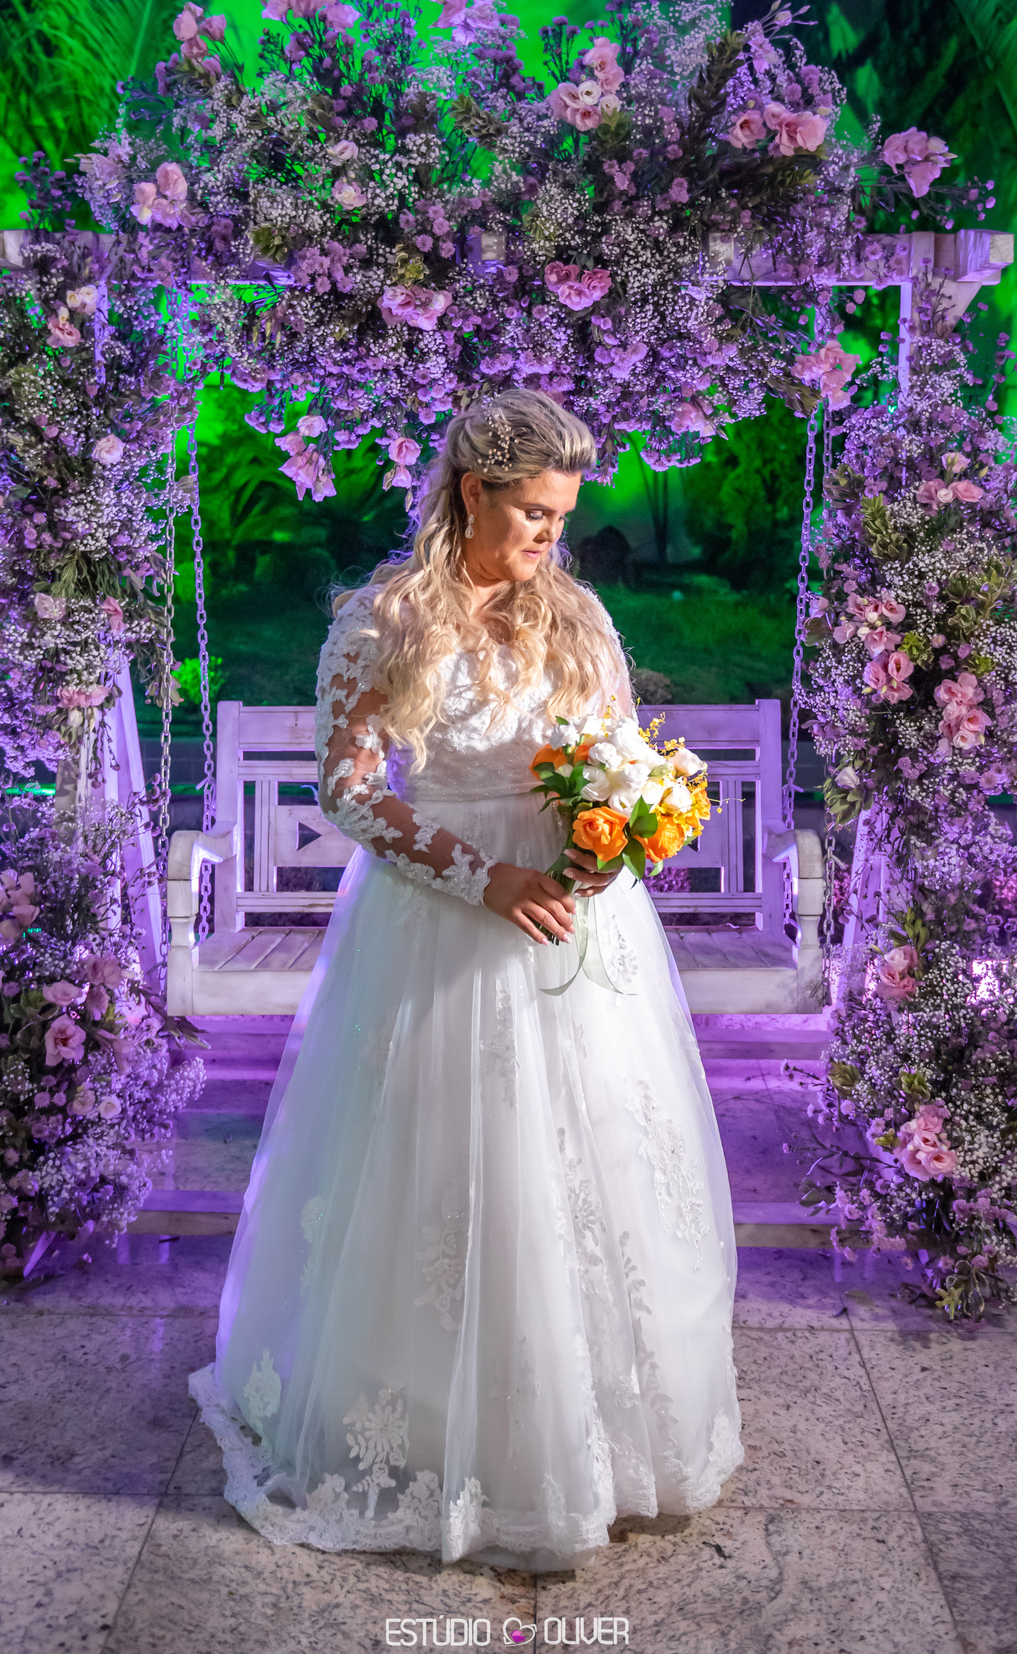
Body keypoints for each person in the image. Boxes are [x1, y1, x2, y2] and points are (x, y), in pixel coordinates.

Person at [188, 390, 742, 1569]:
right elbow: (347, 791)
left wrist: (619, 834)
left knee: (595, 1159)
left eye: (563, 515)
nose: (552, 534)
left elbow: (620, 752)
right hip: (443, 922)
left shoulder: (575, 614)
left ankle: (592, 1433)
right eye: (533, 511)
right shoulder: (385, 620)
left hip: (576, 920)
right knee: (446, 1167)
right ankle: (436, 1427)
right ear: (470, 493)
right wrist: (482, 876)